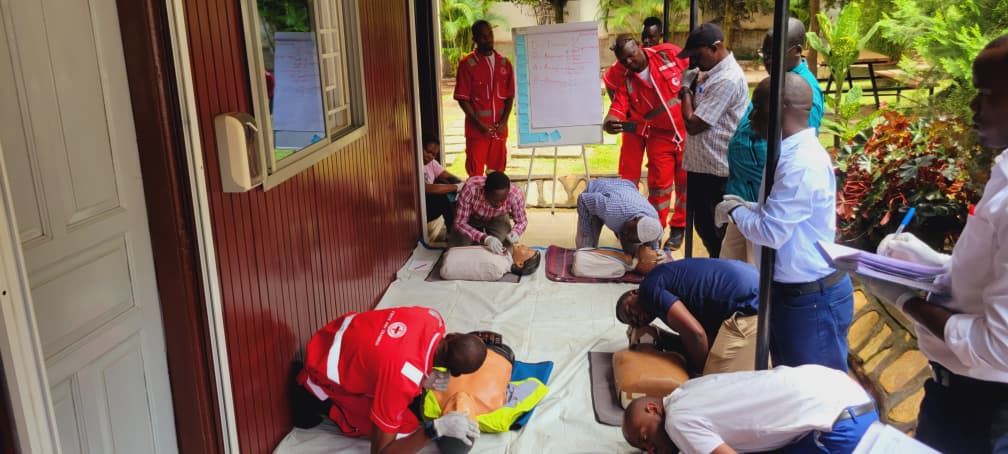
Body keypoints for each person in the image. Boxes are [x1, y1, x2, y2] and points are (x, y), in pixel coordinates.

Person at [864, 35, 1008, 453]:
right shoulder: (1002, 173)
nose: (972, 107)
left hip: (984, 416)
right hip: (958, 398)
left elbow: (998, 347)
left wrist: (905, 300)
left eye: (985, 95)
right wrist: (937, 264)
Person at [715, 74, 853, 372]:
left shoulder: (800, 162)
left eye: (758, 106)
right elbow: (776, 214)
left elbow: (771, 231)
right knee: (790, 389)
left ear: (781, 107)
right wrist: (747, 206)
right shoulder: (787, 152)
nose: (751, 115)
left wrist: (734, 211)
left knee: (817, 397)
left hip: (810, 300)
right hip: (792, 295)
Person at [295, 307, 487, 453]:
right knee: (407, 429)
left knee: (404, 403)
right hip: (320, 370)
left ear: (453, 335)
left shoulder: (431, 317)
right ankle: (316, 398)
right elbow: (380, 451)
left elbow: (400, 350)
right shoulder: (400, 381)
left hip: (332, 332)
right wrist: (434, 430)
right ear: (455, 373)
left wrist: (420, 377)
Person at [720, 18, 824, 264]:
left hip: (764, 204)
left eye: (773, 53)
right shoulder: (776, 82)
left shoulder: (803, 90)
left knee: (754, 275)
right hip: (744, 198)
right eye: (764, 53)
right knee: (730, 270)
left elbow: (797, 144)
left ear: (797, 51)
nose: (767, 59)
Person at [622, 364, 878, 454]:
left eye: (645, 439)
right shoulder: (687, 391)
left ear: (653, 409)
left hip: (841, 426)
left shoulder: (677, 422)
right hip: (846, 394)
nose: (653, 450)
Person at [602, 34, 691, 250]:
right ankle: (654, 232)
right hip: (658, 137)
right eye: (624, 60)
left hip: (686, 132)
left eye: (632, 56)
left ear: (639, 47)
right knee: (659, 187)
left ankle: (679, 227)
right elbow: (617, 109)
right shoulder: (627, 82)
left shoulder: (667, 54)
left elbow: (693, 68)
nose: (630, 62)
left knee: (686, 184)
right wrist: (609, 122)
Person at [677, 23, 749, 258]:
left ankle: (723, 277)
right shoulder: (711, 73)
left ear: (715, 48)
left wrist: (686, 90)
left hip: (716, 169)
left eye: (698, 56)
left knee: (716, 231)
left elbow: (694, 125)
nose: (695, 62)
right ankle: (719, 269)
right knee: (704, 226)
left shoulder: (727, 79)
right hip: (702, 166)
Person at [615, 258, 760, 375]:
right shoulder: (659, 279)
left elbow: (696, 334)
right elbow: (700, 338)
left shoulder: (648, 291)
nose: (636, 318)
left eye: (629, 311)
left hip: (751, 303)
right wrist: (662, 337)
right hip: (753, 281)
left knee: (713, 381)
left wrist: (699, 373)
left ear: (633, 292)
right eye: (634, 322)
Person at [453, 20, 514, 177]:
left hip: (499, 131)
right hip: (477, 131)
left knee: (497, 173)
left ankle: (494, 202)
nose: (488, 39)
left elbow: (509, 96)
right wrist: (478, 124)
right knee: (476, 175)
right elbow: (462, 98)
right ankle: (477, 202)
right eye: (483, 37)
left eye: (490, 35)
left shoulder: (505, 64)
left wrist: (504, 121)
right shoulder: (467, 65)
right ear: (475, 39)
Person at [575, 178, 664, 256]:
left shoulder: (653, 222)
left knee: (632, 253)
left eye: (630, 237)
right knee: (585, 250)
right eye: (628, 231)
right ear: (635, 219)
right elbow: (582, 200)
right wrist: (586, 232)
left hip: (625, 190)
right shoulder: (610, 208)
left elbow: (654, 243)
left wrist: (656, 253)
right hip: (597, 193)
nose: (625, 234)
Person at [448, 171, 527, 254]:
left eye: (502, 200)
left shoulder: (515, 194)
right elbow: (460, 223)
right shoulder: (471, 188)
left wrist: (516, 232)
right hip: (471, 216)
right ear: (485, 191)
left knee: (505, 247)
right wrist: (484, 238)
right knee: (457, 250)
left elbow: (522, 221)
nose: (498, 204)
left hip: (498, 217)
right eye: (494, 201)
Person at [422, 138, 464, 232]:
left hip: (429, 205)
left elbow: (447, 175)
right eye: (428, 151)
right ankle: (453, 231)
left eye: (434, 154)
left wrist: (462, 184)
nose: (430, 156)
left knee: (445, 182)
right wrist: (456, 187)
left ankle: (459, 225)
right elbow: (425, 188)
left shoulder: (431, 163)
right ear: (420, 147)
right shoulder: (413, 164)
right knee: (441, 197)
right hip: (418, 210)